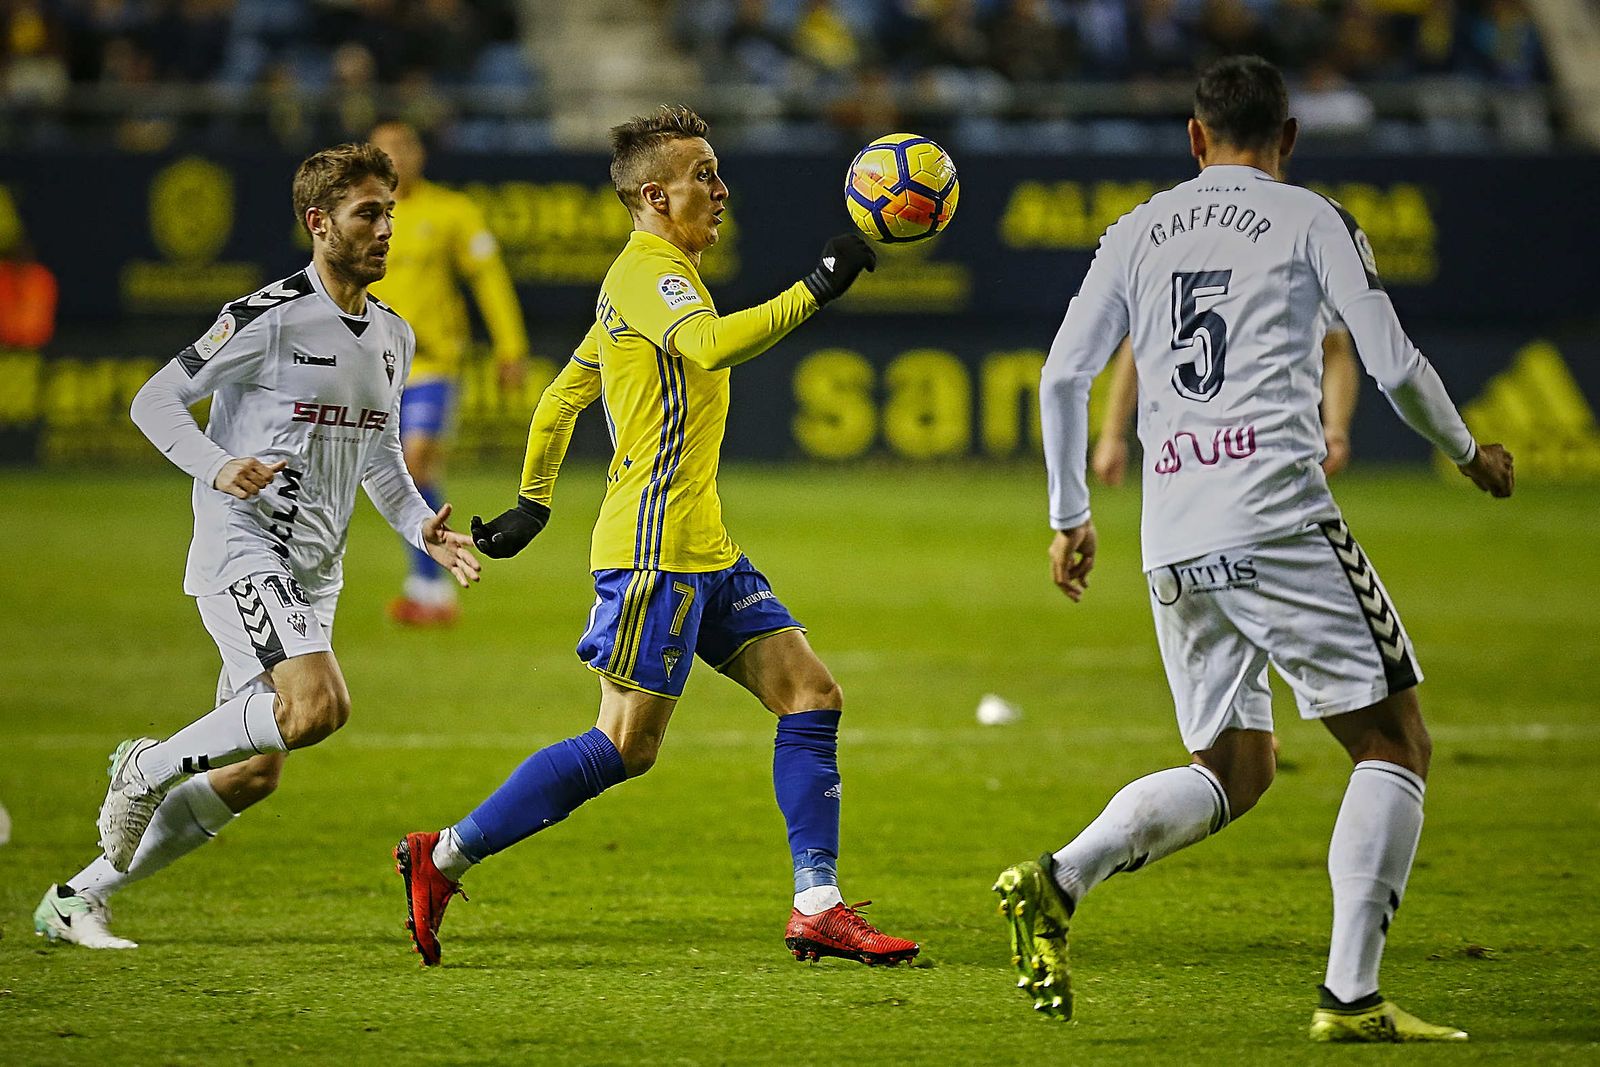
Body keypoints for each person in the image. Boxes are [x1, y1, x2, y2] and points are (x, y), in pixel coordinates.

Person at [993, 56, 1513, 1040]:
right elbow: (1392, 360)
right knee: (1393, 743)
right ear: (1288, 137)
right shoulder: (1312, 218)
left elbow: (1061, 375)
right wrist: (1466, 451)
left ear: (1194, 138)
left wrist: (1069, 517)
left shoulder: (1135, 229)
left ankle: (1061, 876)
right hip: (1275, 516)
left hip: (1172, 533)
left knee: (1237, 766)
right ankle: (1350, 996)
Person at [393, 105, 919, 969]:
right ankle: (441, 854)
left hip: (704, 546)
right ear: (654, 196)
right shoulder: (647, 274)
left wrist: (533, 503)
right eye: (702, 175)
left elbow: (564, 396)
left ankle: (818, 904)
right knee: (624, 745)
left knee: (811, 694)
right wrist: (816, 287)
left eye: (717, 171)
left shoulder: (649, 278)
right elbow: (709, 346)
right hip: (654, 550)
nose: (721, 189)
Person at [35, 143, 481, 950]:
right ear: (319, 223)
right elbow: (155, 399)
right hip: (245, 547)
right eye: (367, 213)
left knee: (252, 770)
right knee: (318, 706)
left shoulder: (393, 335)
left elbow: (379, 454)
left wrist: (419, 525)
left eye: (390, 212)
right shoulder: (267, 317)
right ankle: (144, 767)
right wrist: (217, 464)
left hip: (315, 570)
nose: (386, 229)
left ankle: (75, 897)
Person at [367, 119, 530, 626]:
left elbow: (488, 277)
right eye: (384, 149)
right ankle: (425, 586)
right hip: (370, 368)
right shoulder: (361, 216)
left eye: (404, 146)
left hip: (432, 365)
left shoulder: (452, 211)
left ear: (420, 153)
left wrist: (510, 345)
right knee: (385, 475)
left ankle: (428, 586)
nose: (396, 157)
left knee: (415, 464)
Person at [1092, 320, 1358, 486]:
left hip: (1265, 447)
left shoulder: (1290, 253)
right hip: (1189, 451)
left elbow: (1334, 344)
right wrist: (1111, 435)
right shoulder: (1175, 256)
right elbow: (1137, 344)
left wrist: (1336, 428)